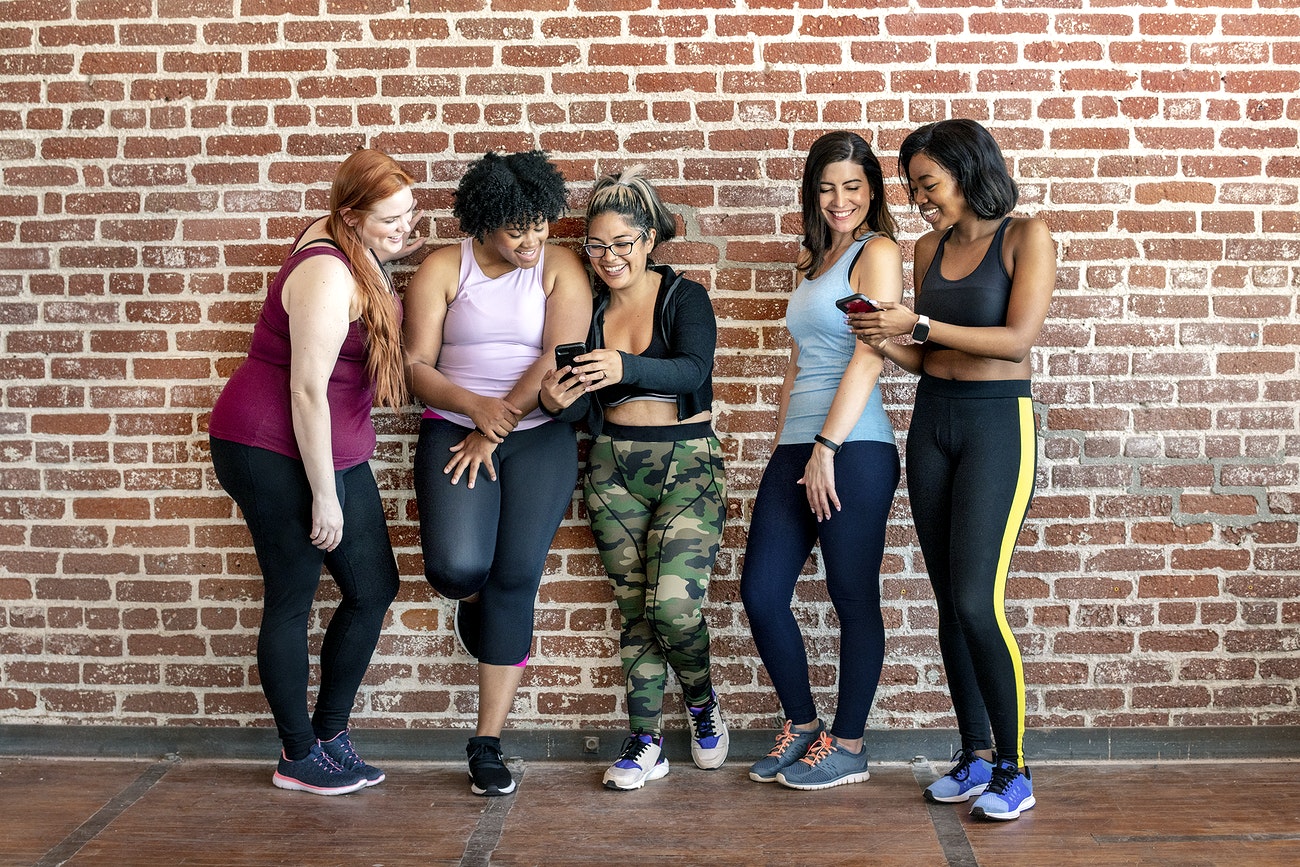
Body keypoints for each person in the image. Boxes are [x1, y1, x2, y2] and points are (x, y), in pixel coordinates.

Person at [849, 118, 1057, 821]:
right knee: (948, 605)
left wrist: (917, 324)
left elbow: (1017, 340)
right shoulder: (927, 248)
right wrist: (882, 336)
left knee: (977, 601)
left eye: (927, 183)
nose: (919, 199)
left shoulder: (1026, 237)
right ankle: (974, 756)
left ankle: (1015, 768)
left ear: (967, 171)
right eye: (912, 188)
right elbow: (927, 358)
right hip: (933, 422)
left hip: (998, 425)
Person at [209, 148, 423, 795]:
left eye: (410, 213)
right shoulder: (328, 273)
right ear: (350, 216)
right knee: (292, 594)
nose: (405, 229)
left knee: (372, 587)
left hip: (331, 444)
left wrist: (389, 250)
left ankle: (330, 736)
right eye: (390, 220)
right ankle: (297, 755)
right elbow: (306, 390)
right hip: (272, 447)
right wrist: (325, 496)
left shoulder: (351, 242)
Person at [403, 150, 591, 797]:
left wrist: (498, 421)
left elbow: (557, 354)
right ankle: (478, 605)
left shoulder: (559, 266)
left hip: (537, 437)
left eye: (540, 226)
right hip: (454, 427)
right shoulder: (443, 267)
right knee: (457, 569)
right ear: (484, 222)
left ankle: (486, 743)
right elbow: (416, 366)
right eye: (517, 231)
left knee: (515, 580)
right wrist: (473, 410)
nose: (532, 242)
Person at [539, 166, 729, 791]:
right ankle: (646, 739)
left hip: (687, 463)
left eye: (622, 242)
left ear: (649, 239)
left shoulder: (684, 296)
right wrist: (556, 401)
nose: (609, 256)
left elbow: (693, 369)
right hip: (612, 466)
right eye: (596, 245)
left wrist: (624, 365)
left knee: (673, 608)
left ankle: (701, 701)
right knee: (635, 614)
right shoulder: (589, 309)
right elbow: (580, 407)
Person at [737, 131, 903, 791]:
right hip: (799, 447)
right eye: (827, 187)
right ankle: (803, 724)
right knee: (761, 591)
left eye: (853, 187)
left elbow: (871, 352)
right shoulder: (812, 258)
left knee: (851, 595)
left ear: (872, 191)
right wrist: (789, 446)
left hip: (855, 447)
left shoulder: (877, 251)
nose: (839, 200)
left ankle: (851, 743)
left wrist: (827, 447)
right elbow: (797, 361)